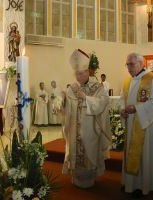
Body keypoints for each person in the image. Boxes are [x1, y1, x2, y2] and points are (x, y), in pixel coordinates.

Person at [62, 49, 111, 188]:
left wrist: (86, 98)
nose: (79, 76)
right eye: (77, 73)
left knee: (89, 153)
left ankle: (89, 179)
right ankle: (76, 178)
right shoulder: (72, 88)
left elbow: (103, 102)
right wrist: (62, 102)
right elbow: (67, 109)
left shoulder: (97, 87)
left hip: (90, 129)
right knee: (74, 151)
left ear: (88, 72)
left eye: (82, 73)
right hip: (74, 129)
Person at [120, 53, 153, 198]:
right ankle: (130, 184)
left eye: (131, 64)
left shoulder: (152, 79)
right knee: (130, 153)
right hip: (131, 123)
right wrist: (123, 111)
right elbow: (122, 99)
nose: (128, 68)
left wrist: (136, 109)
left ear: (141, 63)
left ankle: (143, 186)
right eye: (127, 64)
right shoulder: (127, 81)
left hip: (145, 126)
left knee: (144, 154)